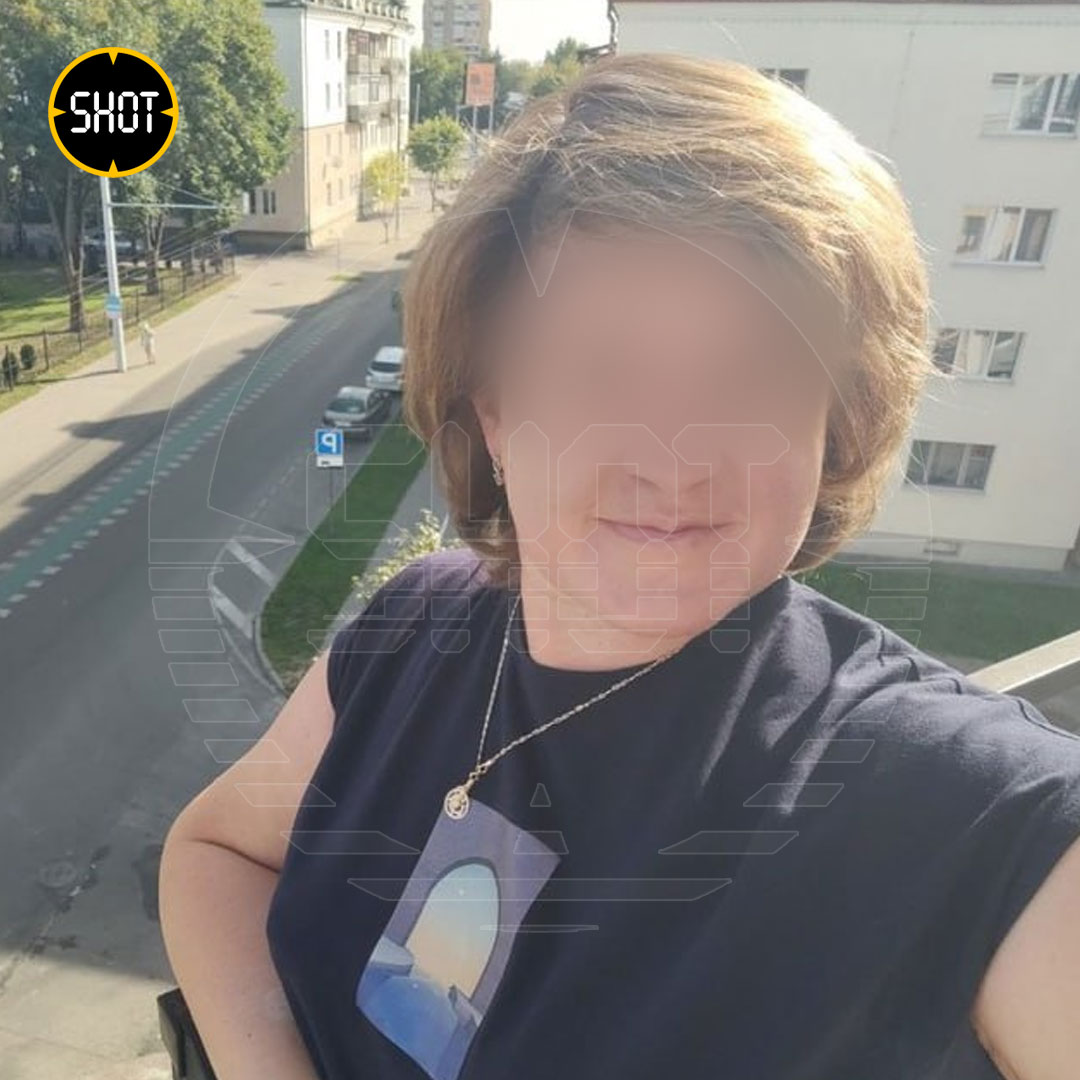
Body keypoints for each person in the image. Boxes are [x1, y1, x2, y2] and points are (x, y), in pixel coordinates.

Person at [158, 53, 1080, 1080]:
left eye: (753, 374)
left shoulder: (968, 807)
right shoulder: (411, 629)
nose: (674, 455)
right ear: (494, 417)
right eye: (601, 372)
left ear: (833, 424)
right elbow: (214, 855)